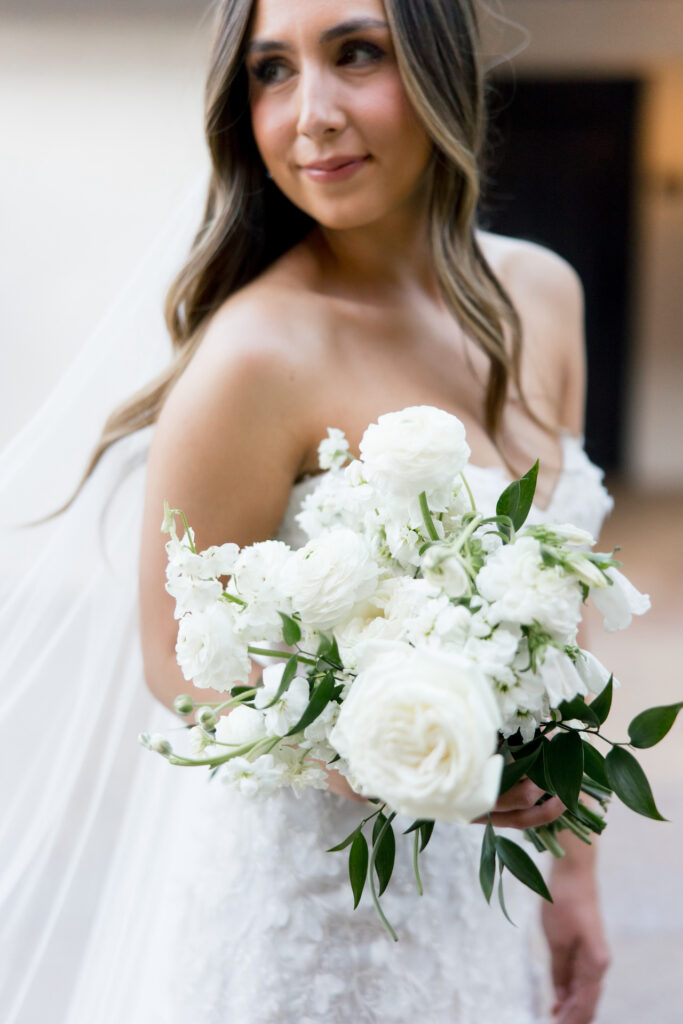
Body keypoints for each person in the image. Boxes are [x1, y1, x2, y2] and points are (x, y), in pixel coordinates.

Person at [1, 1, 613, 1021]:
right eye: (270, 72)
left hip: (475, 893)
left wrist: (574, 868)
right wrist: (396, 754)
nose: (309, 114)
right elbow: (179, 662)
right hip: (310, 912)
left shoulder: (540, 295)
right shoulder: (253, 358)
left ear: (440, 70)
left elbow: (563, 598)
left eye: (356, 55)